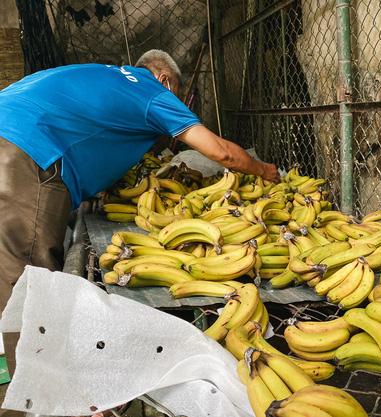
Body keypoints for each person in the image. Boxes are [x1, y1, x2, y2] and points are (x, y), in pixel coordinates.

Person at [0, 49, 279, 417]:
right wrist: (264, 171)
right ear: (165, 79)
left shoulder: (106, 75)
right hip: (26, 155)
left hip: (12, 133)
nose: (174, 107)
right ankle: (35, 405)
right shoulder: (151, 92)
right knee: (29, 285)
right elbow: (220, 153)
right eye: (177, 95)